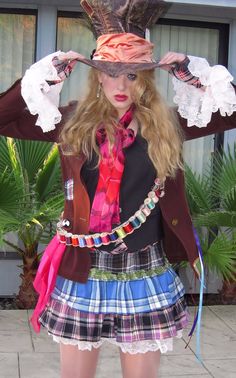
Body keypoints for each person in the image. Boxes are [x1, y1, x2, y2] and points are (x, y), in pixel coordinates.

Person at [0, 1, 236, 377]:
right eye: (113, 73)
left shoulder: (167, 124)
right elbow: (4, 118)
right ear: (98, 76)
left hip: (144, 271)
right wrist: (48, 74)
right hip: (84, 270)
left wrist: (195, 75)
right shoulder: (72, 123)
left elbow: (232, 111)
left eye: (133, 74)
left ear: (146, 79)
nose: (122, 84)